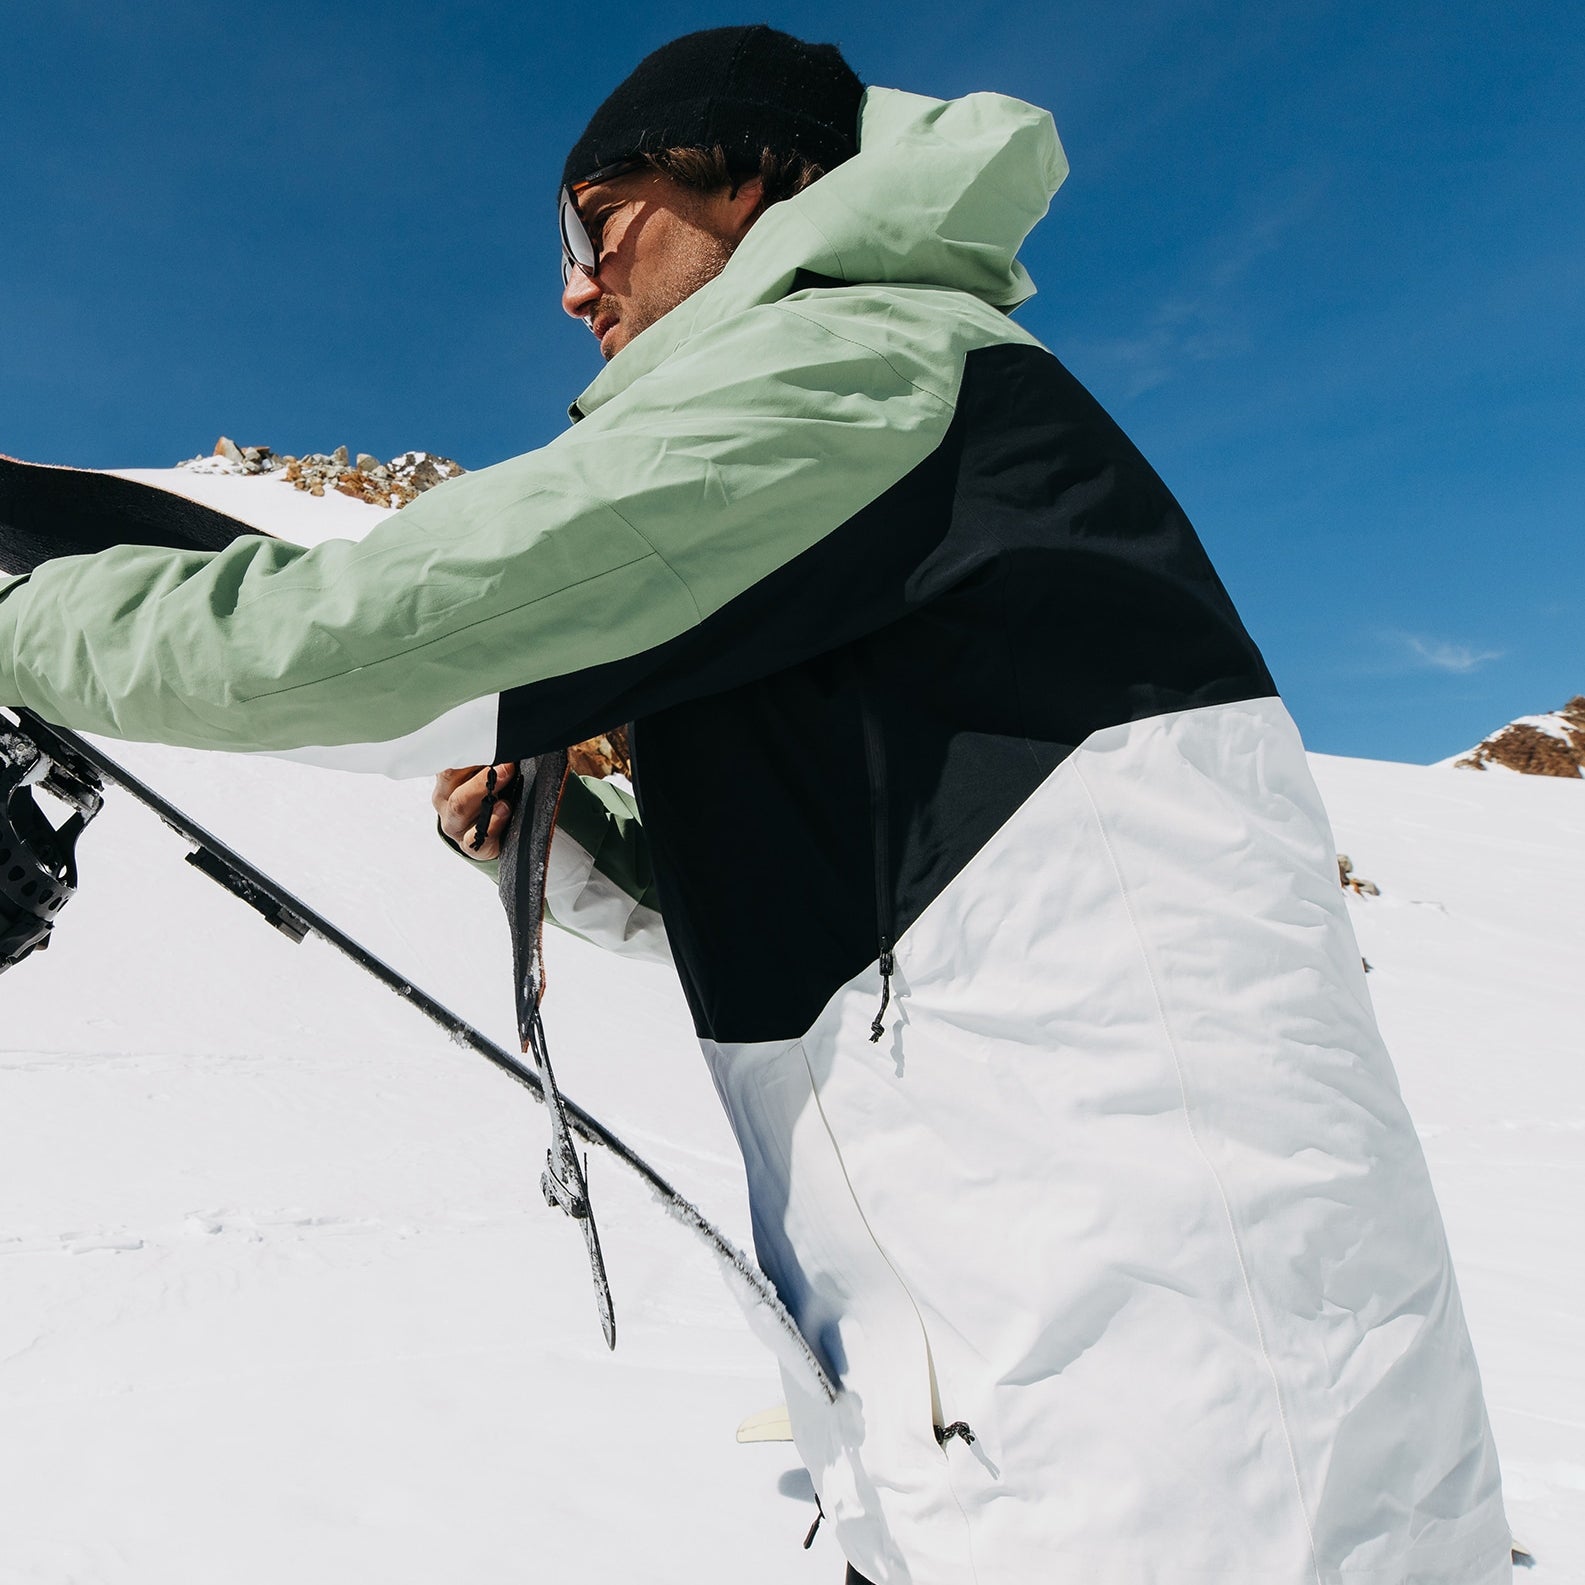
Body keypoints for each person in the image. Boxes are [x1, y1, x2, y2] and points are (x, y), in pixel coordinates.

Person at [0, 25, 1511, 1585]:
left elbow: (368, 636)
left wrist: (19, 618)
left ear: (747, 181)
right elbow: (890, 898)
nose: (573, 285)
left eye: (596, 220)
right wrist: (584, 849)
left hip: (1169, 1433)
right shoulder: (872, 427)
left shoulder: (855, 368)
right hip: (1018, 1403)